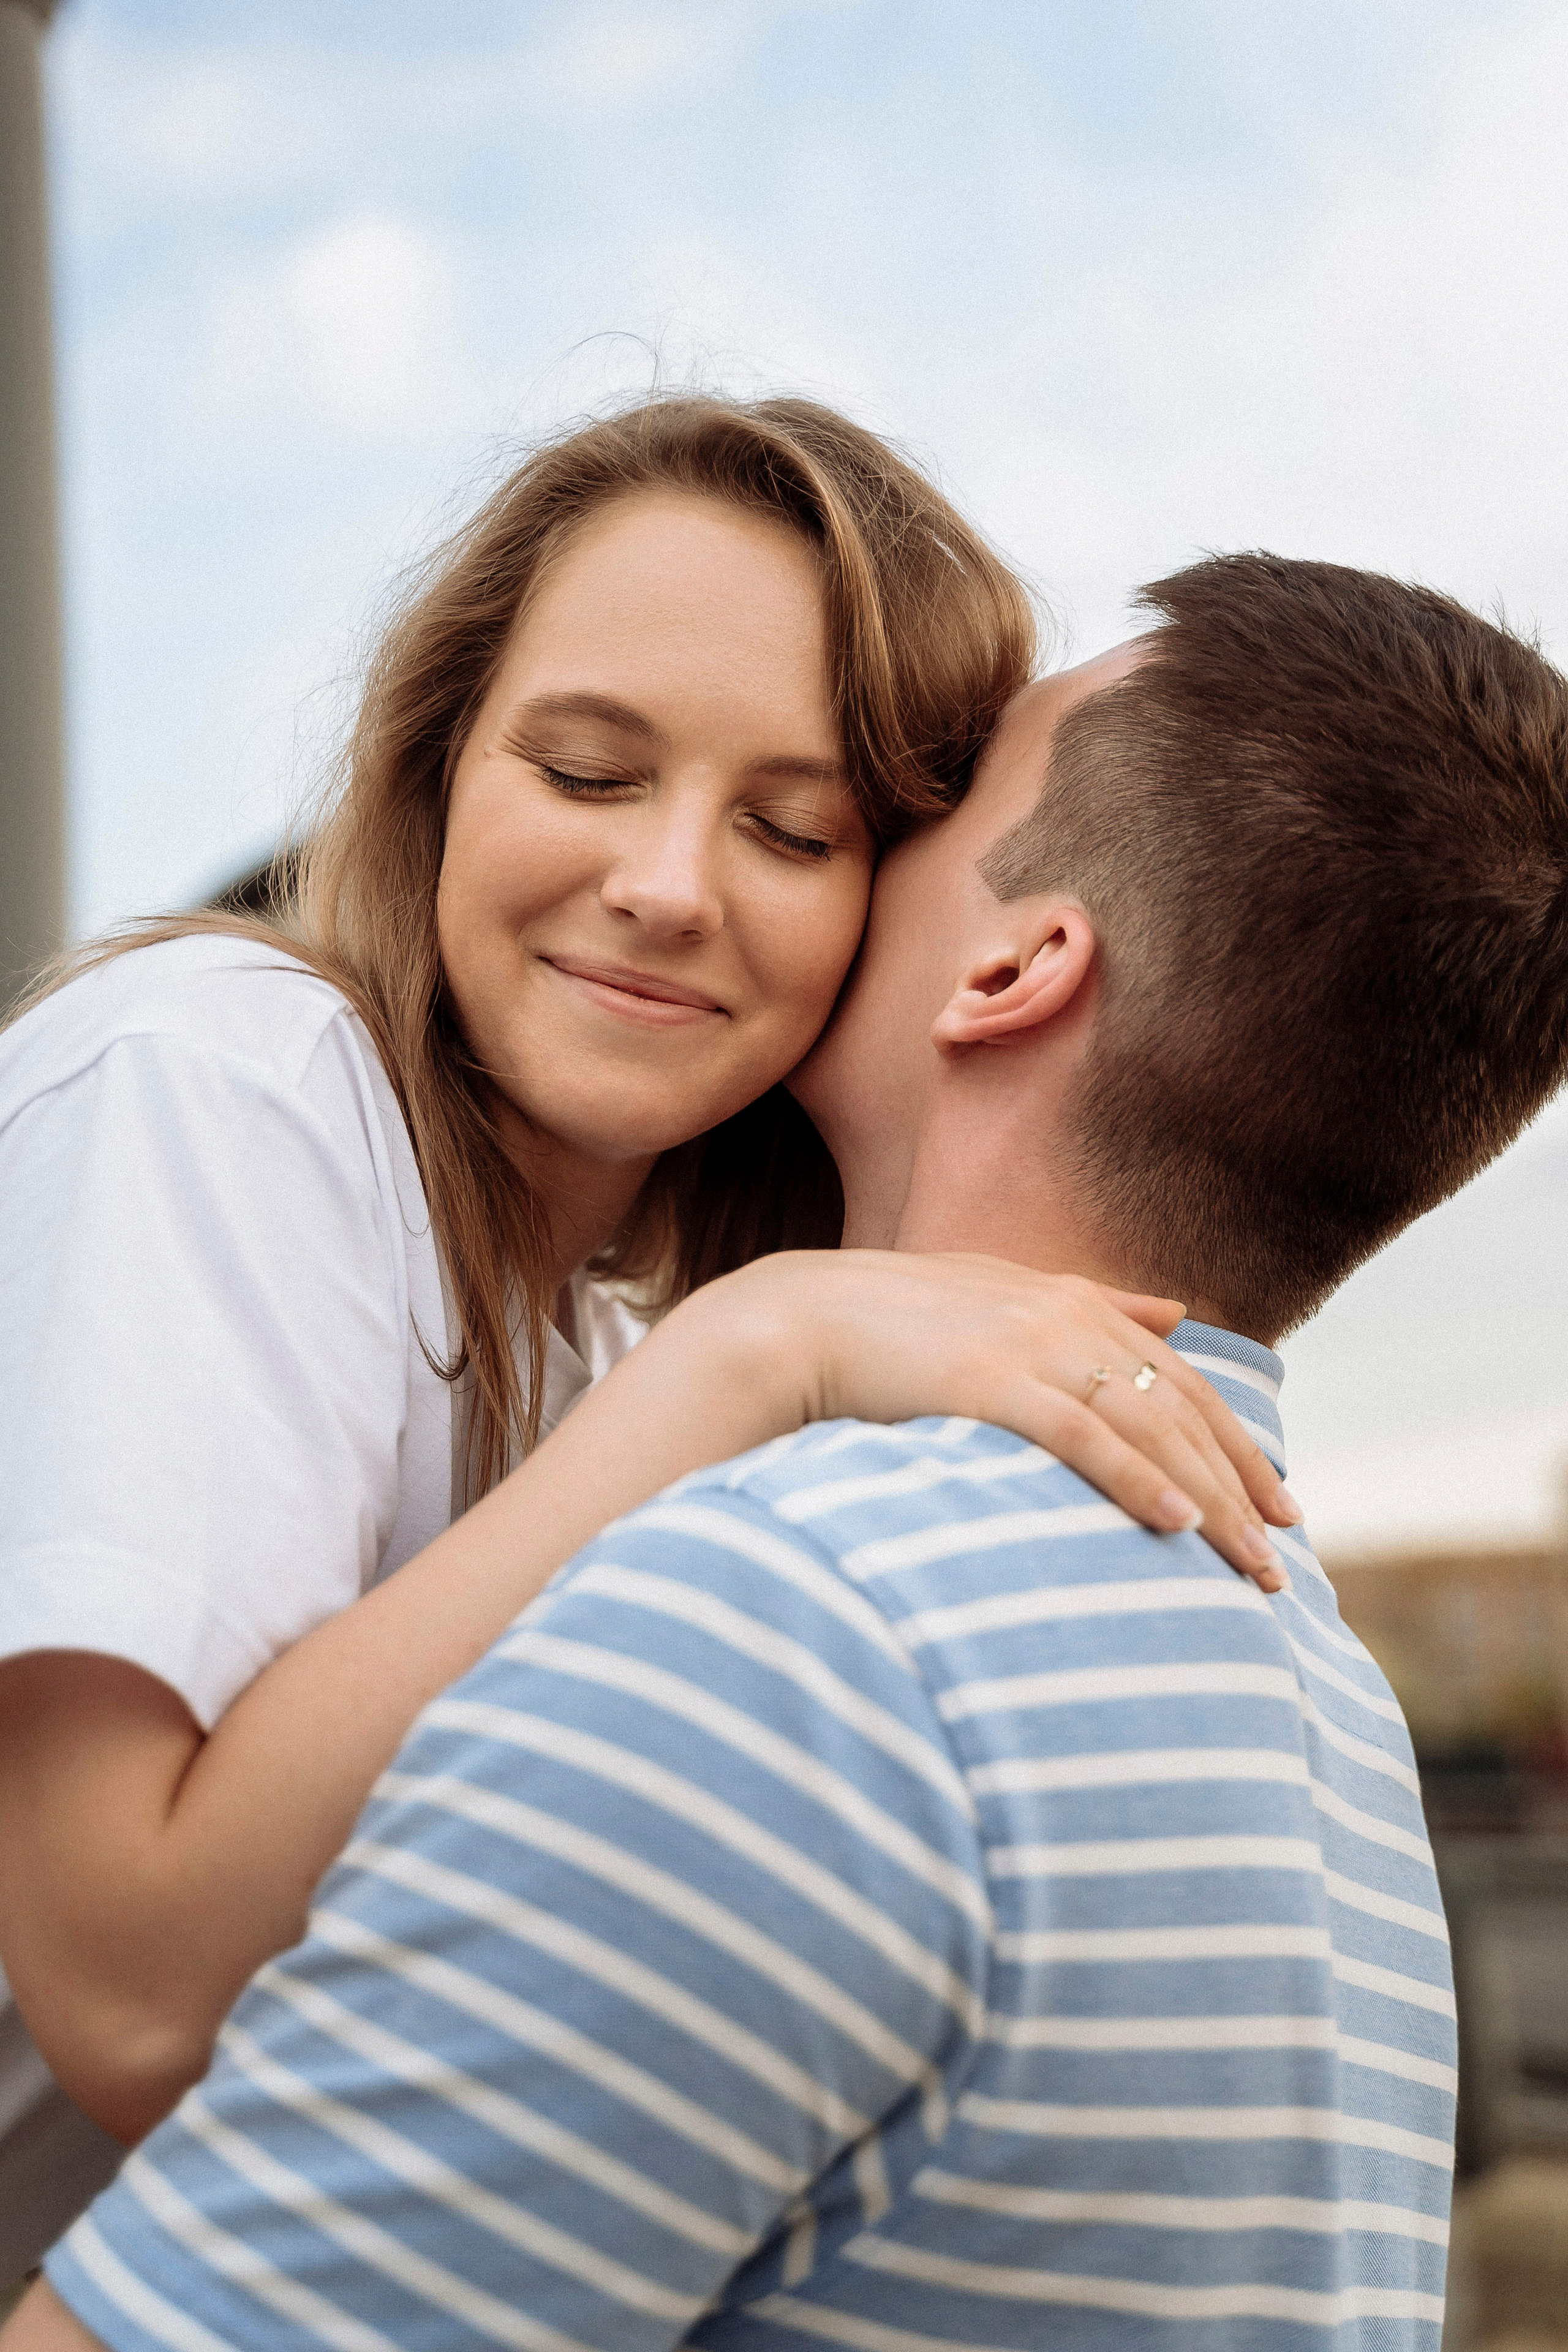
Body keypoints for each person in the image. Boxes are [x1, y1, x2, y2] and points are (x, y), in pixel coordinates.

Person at [15, 550, 1565, 2351]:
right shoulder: (1317, 1691)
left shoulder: (798, 1632)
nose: (702, 887)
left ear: (1016, 965)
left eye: (920, 807)